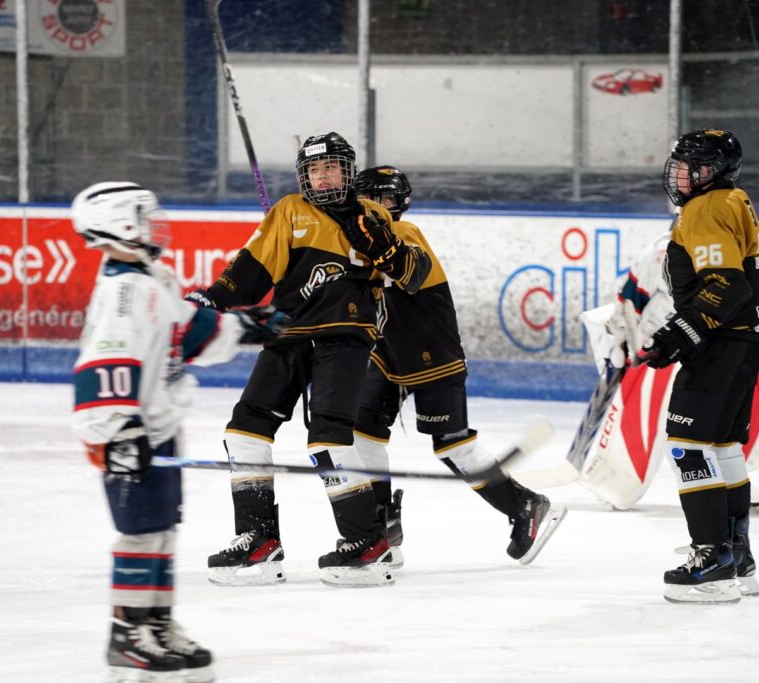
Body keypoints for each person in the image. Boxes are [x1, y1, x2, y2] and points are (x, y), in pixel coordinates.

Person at [190, 133, 431, 587]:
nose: (322, 177)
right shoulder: (289, 211)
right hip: (289, 334)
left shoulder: (374, 216)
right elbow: (250, 269)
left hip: (344, 337)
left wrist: (384, 247)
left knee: (328, 441)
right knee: (243, 432)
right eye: (314, 170)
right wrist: (213, 299)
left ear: (348, 172)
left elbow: (414, 275)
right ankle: (259, 542)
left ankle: (368, 543)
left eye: (331, 168)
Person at [70, 182, 286, 681]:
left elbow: (189, 331)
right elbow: (102, 365)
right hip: (129, 436)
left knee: (162, 530)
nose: (156, 224)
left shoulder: (154, 280)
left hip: (159, 428)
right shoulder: (123, 294)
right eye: (144, 215)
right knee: (140, 533)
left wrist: (248, 327)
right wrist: (117, 432)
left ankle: (158, 625)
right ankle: (127, 635)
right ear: (122, 224)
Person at [351, 165, 568, 567]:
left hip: (431, 351)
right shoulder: (358, 236)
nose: (377, 207)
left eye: (385, 199)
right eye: (368, 199)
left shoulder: (404, 232)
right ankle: (382, 527)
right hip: (389, 350)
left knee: (453, 446)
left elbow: (388, 265)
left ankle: (525, 505)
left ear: (399, 203)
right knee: (361, 429)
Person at [638, 129, 759, 604]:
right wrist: (683, 332)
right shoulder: (734, 199)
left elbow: (726, 285)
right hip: (748, 333)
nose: (678, 175)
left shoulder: (705, 208)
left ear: (711, 172)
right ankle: (737, 557)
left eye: (689, 167)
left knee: (688, 444)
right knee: (723, 443)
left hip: (726, 337)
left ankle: (712, 560)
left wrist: (679, 333)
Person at [567, 232, 759, 513]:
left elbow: (629, 300)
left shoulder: (664, 247)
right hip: (725, 348)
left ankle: (617, 479)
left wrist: (616, 336)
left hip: (667, 347)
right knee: (739, 407)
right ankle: (758, 475)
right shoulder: (740, 243)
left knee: (646, 403)